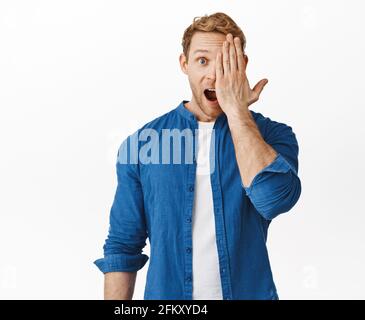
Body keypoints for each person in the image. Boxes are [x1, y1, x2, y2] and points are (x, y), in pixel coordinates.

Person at [93, 12, 301, 300]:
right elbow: (123, 246)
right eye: (203, 61)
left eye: (226, 62)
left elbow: (274, 200)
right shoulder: (143, 145)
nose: (215, 75)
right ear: (184, 64)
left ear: (242, 66)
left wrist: (238, 112)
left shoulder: (272, 136)